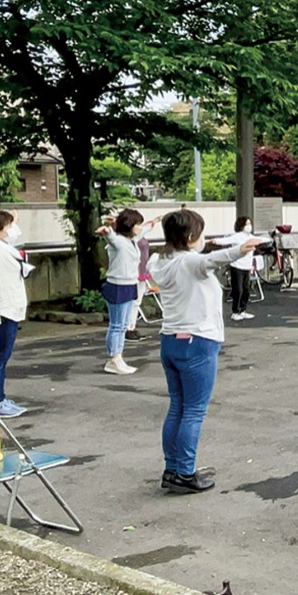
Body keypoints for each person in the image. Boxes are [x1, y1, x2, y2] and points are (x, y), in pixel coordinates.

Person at [149, 209, 259, 494]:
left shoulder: (159, 260)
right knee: (194, 411)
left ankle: (172, 468)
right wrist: (239, 250)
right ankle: (185, 473)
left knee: (177, 406)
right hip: (197, 341)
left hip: (170, 339)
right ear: (189, 236)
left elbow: (202, 257)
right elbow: (209, 260)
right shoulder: (190, 262)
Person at [0, 211, 31, 418]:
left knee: (1, 356)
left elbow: (13, 241)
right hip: (2, 309)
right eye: (9, 226)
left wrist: (13, 221)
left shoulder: (2, 247)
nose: (12, 230)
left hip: (9, 308)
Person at [96, 208, 144, 374]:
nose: (140, 227)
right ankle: (114, 359)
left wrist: (117, 220)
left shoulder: (132, 241)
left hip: (130, 284)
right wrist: (107, 230)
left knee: (124, 325)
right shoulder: (119, 241)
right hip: (118, 285)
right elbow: (111, 237)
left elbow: (142, 230)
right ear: (130, 225)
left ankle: (118, 357)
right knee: (117, 325)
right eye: (138, 224)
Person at [214, 216, 260, 322]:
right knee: (238, 290)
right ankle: (235, 312)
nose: (249, 226)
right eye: (247, 224)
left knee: (246, 290)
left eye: (250, 224)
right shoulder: (237, 237)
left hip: (247, 267)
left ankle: (243, 310)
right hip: (237, 266)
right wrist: (215, 241)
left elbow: (261, 241)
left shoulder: (251, 237)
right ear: (241, 225)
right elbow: (225, 241)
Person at [125, 215, 162, 342]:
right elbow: (145, 229)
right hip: (133, 274)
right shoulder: (131, 239)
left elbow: (146, 228)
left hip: (142, 273)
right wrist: (154, 221)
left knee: (137, 301)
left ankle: (131, 327)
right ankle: (128, 328)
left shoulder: (138, 236)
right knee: (133, 302)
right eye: (137, 224)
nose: (140, 227)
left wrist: (155, 220)